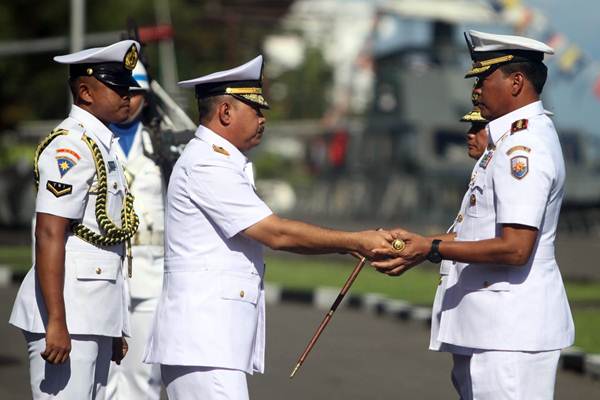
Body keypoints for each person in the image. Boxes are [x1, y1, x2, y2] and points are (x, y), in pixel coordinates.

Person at [142, 55, 395, 400]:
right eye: (256, 110)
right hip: (203, 344)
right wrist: (354, 240)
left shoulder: (219, 161)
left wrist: (349, 244)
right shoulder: (207, 164)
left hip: (210, 343)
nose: (263, 120)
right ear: (226, 113)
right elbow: (275, 233)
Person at [373, 30, 574, 399]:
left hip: (509, 336)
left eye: (483, 79)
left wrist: (431, 248)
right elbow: (479, 230)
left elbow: (515, 248)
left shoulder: (523, 148)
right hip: (491, 331)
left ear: (516, 82)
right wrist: (415, 244)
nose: (475, 90)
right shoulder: (507, 142)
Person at [9, 40, 141, 399]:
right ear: (85, 91)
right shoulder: (70, 147)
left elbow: (110, 247)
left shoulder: (102, 146)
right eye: (118, 88)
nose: (127, 96)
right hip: (67, 317)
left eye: (129, 88)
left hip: (92, 317)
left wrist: (114, 326)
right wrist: (56, 320)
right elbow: (50, 233)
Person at [106, 61, 164, 399]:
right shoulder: (94, 138)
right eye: (122, 91)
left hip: (152, 273)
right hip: (106, 272)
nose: (128, 100)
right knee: (104, 376)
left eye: (136, 92)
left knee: (145, 375)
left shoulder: (163, 144)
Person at [430, 101, 488, 353]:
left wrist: (425, 246)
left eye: (478, 127)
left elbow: (488, 240)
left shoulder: (501, 168)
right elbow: (464, 233)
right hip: (468, 305)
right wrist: (420, 243)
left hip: (484, 308)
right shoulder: (482, 170)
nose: (470, 134)